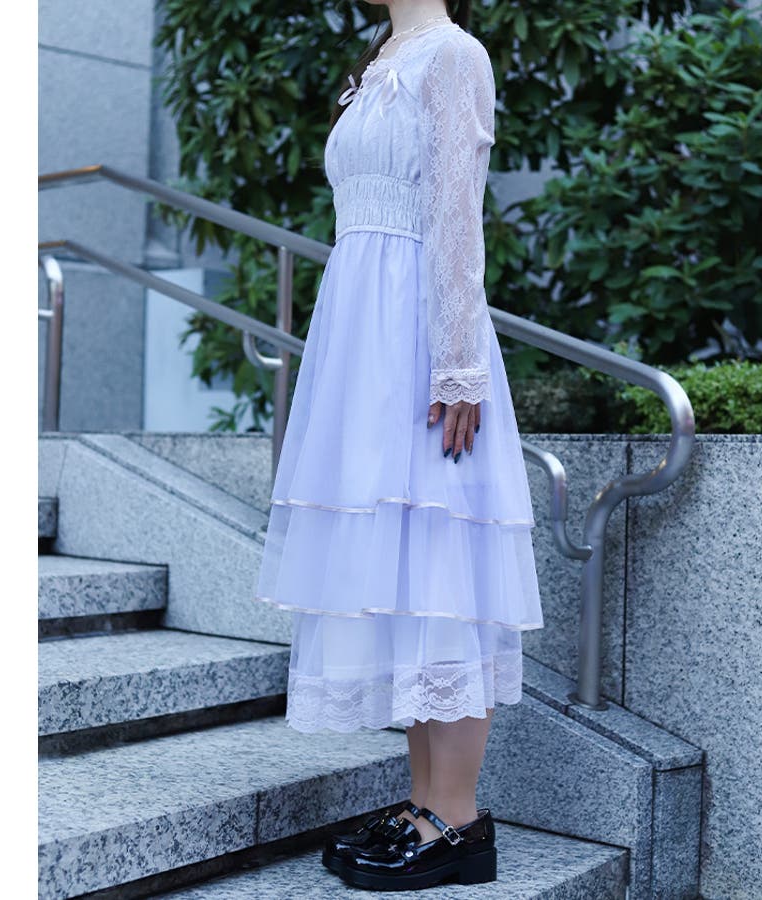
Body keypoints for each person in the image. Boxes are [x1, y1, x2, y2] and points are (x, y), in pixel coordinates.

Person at [253, 0, 544, 889]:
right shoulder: (385, 56)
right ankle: (426, 804)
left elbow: (457, 216)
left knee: (444, 568)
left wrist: (456, 365)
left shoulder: (453, 54)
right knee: (408, 579)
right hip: (364, 338)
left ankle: (458, 818)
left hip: (419, 339)